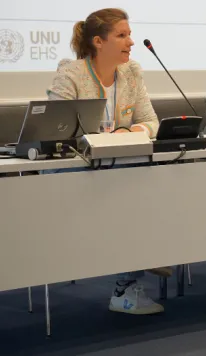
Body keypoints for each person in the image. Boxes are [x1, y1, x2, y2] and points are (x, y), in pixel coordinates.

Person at [47, 8, 167, 315]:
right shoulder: (71, 74)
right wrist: (106, 139)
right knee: (135, 183)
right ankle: (145, 255)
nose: (131, 42)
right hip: (75, 170)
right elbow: (56, 132)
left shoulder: (131, 73)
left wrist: (128, 132)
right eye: (122, 35)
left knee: (152, 176)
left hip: (122, 168)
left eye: (130, 34)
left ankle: (137, 267)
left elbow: (151, 122)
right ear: (99, 42)